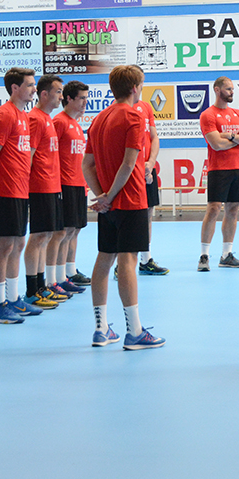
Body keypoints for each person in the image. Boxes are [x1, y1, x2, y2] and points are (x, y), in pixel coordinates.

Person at [83, 65, 165, 349]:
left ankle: (100, 328)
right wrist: (110, 195)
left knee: (104, 259)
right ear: (134, 88)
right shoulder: (133, 116)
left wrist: (101, 195)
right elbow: (130, 164)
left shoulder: (99, 119)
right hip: (129, 200)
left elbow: (87, 165)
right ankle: (134, 331)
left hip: (109, 205)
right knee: (128, 260)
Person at [0, 67, 40, 324]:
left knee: (18, 244)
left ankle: (14, 298)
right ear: (15, 88)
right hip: (4, 189)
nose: (34, 89)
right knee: (4, 246)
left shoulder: (23, 116)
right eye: (29, 85)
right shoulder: (4, 116)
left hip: (20, 188)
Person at [22, 74, 68, 310]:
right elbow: (27, 157)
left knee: (47, 236)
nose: (61, 96)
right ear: (44, 94)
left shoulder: (47, 119)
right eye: (58, 91)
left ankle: (41, 286)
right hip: (39, 186)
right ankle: (32, 290)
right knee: (38, 236)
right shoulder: (35, 119)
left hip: (52, 185)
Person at [198, 76, 239, 271]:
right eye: (228, 89)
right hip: (218, 169)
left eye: (232, 89)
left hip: (237, 167)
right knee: (213, 209)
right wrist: (237, 139)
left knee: (233, 210)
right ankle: (204, 256)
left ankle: (226, 255)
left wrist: (230, 136)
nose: (232, 92)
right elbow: (216, 144)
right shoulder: (208, 115)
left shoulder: (237, 114)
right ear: (217, 90)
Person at [53, 80, 92, 288]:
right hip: (64, 183)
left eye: (87, 98)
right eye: (82, 98)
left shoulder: (77, 125)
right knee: (65, 231)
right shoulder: (59, 122)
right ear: (68, 99)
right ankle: (60, 276)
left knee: (76, 229)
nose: (86, 102)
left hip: (79, 183)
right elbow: (50, 154)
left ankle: (70, 270)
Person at [132, 67, 169, 275]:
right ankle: (123, 261)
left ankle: (145, 260)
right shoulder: (119, 109)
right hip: (131, 171)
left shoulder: (146, 107)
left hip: (147, 169)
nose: (142, 86)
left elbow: (154, 137)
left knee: (148, 213)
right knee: (130, 215)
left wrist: (151, 162)